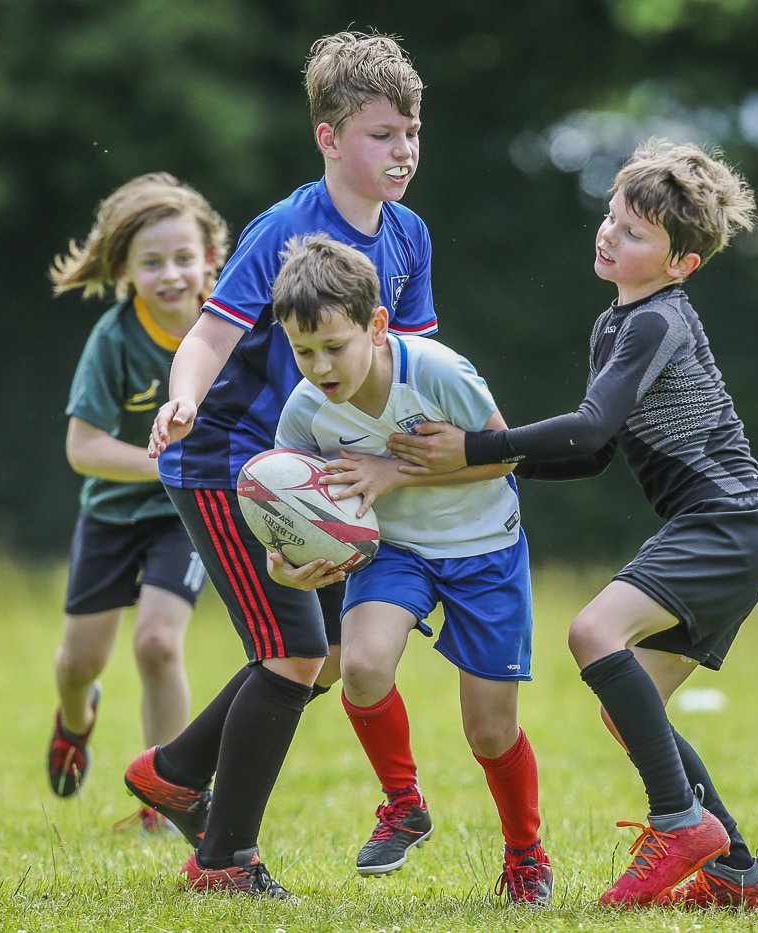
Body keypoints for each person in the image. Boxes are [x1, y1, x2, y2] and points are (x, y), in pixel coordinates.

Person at [388, 138, 758, 911]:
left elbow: (591, 428)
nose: (609, 234)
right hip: (731, 527)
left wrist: (478, 447)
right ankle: (736, 869)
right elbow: (595, 454)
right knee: (625, 708)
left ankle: (679, 823)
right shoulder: (617, 324)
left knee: (594, 633)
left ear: (681, 265)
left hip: (725, 522)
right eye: (611, 217)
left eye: (634, 232)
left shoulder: (656, 321)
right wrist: (493, 465)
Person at [127, 30, 435, 899]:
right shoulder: (284, 229)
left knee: (326, 652)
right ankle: (224, 860)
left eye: (412, 132)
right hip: (226, 462)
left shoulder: (408, 236)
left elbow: (412, 366)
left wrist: (422, 456)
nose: (403, 150)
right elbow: (208, 336)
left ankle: (171, 772)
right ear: (328, 138)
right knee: (294, 653)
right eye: (382, 134)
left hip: (311, 469)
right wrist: (182, 399)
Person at [265, 234, 553, 905]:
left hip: (484, 548)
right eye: (303, 351)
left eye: (333, 346)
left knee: (489, 730)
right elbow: (286, 505)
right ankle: (403, 803)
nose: (320, 366)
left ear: (377, 325)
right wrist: (284, 564)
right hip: (393, 550)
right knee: (362, 667)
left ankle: (525, 855)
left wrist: (394, 471)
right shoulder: (305, 411)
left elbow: (507, 455)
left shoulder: (437, 372)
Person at [45, 173, 228, 834]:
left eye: (183, 257)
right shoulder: (115, 338)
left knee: (156, 643)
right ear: (124, 269)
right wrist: (163, 463)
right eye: (153, 262)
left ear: (211, 256)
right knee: (79, 663)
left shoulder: (232, 329)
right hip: (112, 514)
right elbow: (83, 447)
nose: (171, 274)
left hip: (184, 517)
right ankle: (75, 718)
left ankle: (167, 795)